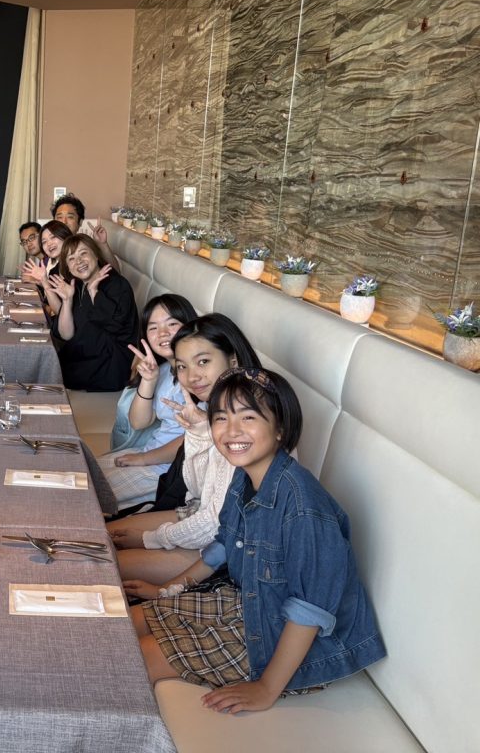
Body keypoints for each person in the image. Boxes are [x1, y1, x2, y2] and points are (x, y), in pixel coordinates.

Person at [128, 369, 385, 712]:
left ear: (280, 429)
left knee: (137, 658)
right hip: (249, 603)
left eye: (248, 417)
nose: (231, 431)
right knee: (124, 622)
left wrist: (266, 688)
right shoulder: (244, 476)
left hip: (295, 641)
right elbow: (223, 546)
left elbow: (310, 609)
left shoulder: (304, 507)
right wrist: (168, 589)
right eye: (221, 418)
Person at [108, 314, 262, 584]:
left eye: (203, 362)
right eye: (182, 366)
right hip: (199, 513)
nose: (192, 377)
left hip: (234, 546)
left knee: (100, 562)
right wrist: (198, 435)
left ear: (233, 361)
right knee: (101, 536)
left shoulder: (248, 421)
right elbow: (196, 491)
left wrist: (151, 539)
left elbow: (216, 523)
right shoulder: (210, 409)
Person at [96, 294, 198, 513]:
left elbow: (194, 439)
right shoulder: (164, 370)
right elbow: (138, 422)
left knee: (89, 496)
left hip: (168, 472)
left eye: (172, 324)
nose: (162, 333)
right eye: (153, 328)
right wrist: (149, 381)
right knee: (77, 471)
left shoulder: (199, 377)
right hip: (149, 452)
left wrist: (143, 459)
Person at [47, 234, 137, 392]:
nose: (79, 261)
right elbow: (66, 335)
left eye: (83, 253)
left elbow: (115, 327)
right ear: (67, 267)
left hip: (110, 365)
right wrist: (67, 301)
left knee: (50, 372)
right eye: (71, 259)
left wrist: (94, 292)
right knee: (47, 368)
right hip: (85, 357)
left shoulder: (117, 285)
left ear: (96, 255)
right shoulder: (76, 285)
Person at [52, 194, 118, 270]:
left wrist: (102, 244)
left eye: (70, 217)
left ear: (80, 222)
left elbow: (115, 272)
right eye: (59, 217)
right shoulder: (47, 245)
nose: (64, 221)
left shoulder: (87, 246)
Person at [22, 220, 73, 316]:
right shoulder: (55, 270)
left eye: (53, 237)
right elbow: (59, 311)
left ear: (65, 235)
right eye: (44, 242)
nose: (49, 244)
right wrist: (44, 282)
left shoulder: (76, 267)